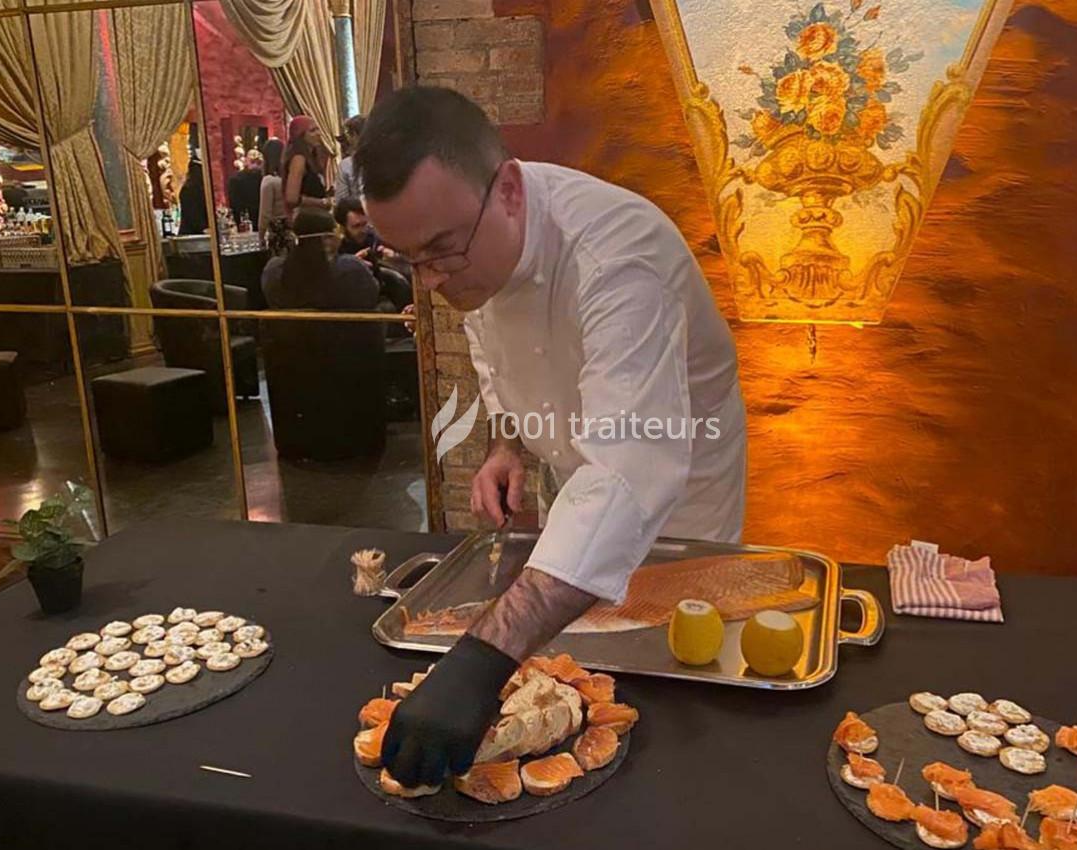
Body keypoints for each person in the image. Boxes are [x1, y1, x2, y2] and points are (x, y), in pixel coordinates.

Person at [359, 87, 747, 789]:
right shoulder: (470, 243)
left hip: (678, 490)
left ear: (508, 188)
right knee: (577, 674)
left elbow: (626, 474)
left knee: (667, 694)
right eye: (410, 261)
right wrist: (508, 443)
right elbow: (500, 356)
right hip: (580, 474)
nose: (432, 281)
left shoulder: (619, 259)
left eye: (443, 253)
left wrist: (483, 655)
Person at [261, 207, 378, 311]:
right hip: (344, 334)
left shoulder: (274, 271)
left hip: (288, 335)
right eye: (336, 233)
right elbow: (370, 298)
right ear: (327, 239)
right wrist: (356, 266)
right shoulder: (350, 269)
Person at [334, 197, 413, 315]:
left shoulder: (376, 237)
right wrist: (352, 264)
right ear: (343, 227)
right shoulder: (336, 247)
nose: (363, 230)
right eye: (356, 226)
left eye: (365, 224)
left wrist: (395, 257)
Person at [282, 115, 332, 218]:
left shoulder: (312, 158)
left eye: (318, 129)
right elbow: (292, 198)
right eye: (312, 130)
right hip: (306, 220)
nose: (318, 133)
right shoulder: (299, 159)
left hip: (315, 216)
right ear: (301, 135)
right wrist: (323, 202)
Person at [258, 138, 288, 250]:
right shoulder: (287, 179)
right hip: (291, 231)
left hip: (278, 234)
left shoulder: (269, 181)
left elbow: (265, 214)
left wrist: (261, 237)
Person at [333, 114, 367, 203]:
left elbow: (341, 201)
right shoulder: (386, 159)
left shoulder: (346, 165)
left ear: (354, 135)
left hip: (359, 213)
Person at [227, 148, 264, 229]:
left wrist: (237, 221)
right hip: (262, 218)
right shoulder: (265, 178)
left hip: (244, 219)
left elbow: (234, 203)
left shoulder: (235, 179)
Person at [177, 158, 208, 236]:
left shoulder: (186, 189)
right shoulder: (190, 190)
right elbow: (193, 214)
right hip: (193, 233)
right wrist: (204, 228)